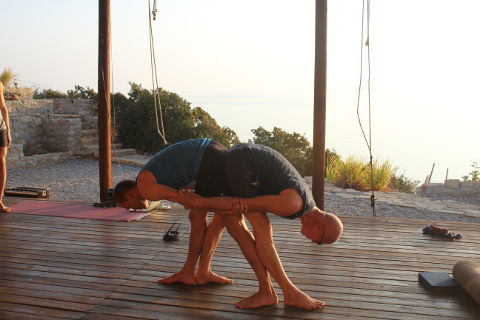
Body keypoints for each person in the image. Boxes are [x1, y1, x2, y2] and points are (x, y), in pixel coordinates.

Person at [178, 143, 343, 309]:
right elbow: (241, 204)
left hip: (243, 156)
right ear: (320, 229)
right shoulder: (294, 205)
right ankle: (280, 292)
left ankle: (203, 272)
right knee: (261, 227)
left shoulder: (306, 201)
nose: (314, 242)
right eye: (319, 241)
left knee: (222, 220)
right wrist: (199, 202)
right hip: (242, 161)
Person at [114, 138, 234, 285]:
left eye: (129, 207)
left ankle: (197, 272)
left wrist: (188, 199)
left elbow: (185, 199)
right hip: (210, 150)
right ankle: (197, 272)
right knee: (197, 216)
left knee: (223, 216)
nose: (133, 210)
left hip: (206, 158)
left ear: (129, 195)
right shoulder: (145, 178)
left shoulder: (145, 187)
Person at [0, 82, 12, 213]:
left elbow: (3, 108)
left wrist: (8, 131)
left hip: (0, 128)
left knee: (1, 163)